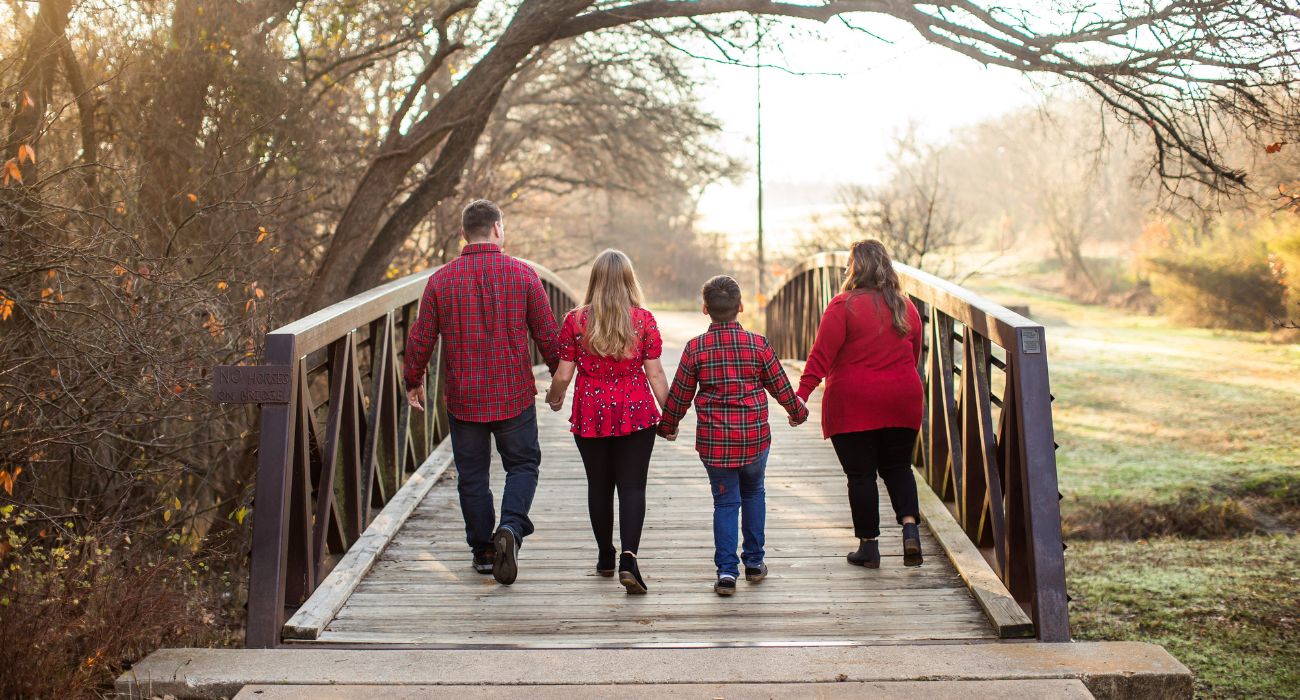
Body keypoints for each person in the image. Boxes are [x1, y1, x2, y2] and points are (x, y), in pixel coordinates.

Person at [404, 199, 561, 586]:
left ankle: (484, 551)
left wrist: (413, 378)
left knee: (472, 476)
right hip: (513, 395)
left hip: (464, 398)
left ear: (463, 233)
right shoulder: (523, 276)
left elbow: (421, 337)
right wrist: (559, 383)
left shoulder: (441, 280)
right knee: (522, 466)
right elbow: (549, 338)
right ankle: (510, 527)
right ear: (496, 229)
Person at [658, 275, 808, 596]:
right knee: (754, 492)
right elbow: (779, 384)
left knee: (725, 502)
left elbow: (681, 394)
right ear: (740, 307)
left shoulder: (696, 348)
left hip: (715, 446)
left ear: (704, 309)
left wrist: (669, 426)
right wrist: (797, 412)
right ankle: (754, 562)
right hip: (754, 440)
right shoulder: (758, 344)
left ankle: (727, 572)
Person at [544, 250, 669, 594]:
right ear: (629, 280)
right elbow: (655, 373)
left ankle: (605, 555)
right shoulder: (643, 320)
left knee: (599, 486)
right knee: (632, 487)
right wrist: (670, 415)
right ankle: (629, 557)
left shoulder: (575, 321)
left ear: (595, 280)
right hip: (637, 410)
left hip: (590, 411)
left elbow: (563, 373)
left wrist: (554, 397)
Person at [795, 240, 925, 568]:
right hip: (902, 398)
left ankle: (869, 548)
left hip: (853, 403)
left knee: (862, 476)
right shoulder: (904, 306)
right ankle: (910, 530)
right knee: (898, 468)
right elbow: (915, 354)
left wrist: (801, 396)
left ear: (853, 268)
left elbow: (820, 356)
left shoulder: (843, 305)